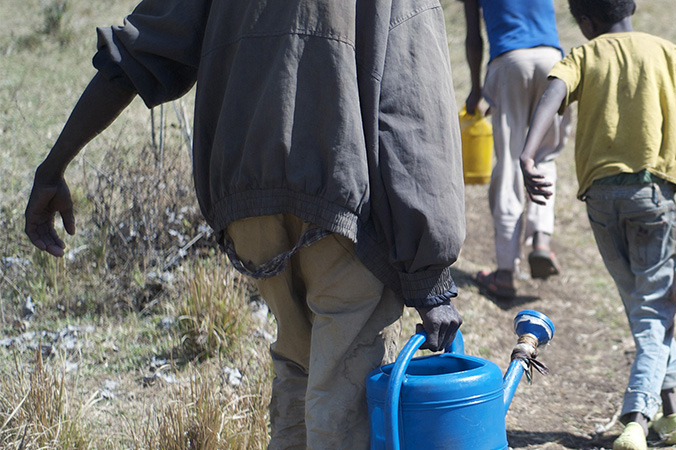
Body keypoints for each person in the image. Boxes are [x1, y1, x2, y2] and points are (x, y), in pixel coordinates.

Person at [22, 0, 465, 448]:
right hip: (340, 198)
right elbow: (413, 107)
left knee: (299, 362)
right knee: (341, 386)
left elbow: (136, 52)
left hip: (246, 200)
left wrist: (53, 167)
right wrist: (429, 272)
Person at [518, 0, 676, 448]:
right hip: (653, 197)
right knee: (654, 310)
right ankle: (636, 418)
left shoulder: (582, 56)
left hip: (600, 198)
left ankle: (673, 417)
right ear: (631, 6)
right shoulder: (667, 53)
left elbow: (551, 96)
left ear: (584, 21)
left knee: (643, 308)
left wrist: (527, 153)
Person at [462, 0, 573, 298]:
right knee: (545, 154)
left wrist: (476, 88)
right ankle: (541, 241)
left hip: (508, 60)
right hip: (552, 60)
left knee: (511, 162)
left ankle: (505, 271)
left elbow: (475, 37)